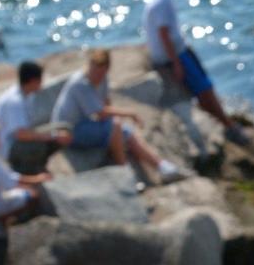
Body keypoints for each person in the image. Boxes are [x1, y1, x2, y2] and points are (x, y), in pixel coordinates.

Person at [143, 0, 249, 145]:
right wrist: (176, 62)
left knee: (204, 88)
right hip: (175, 55)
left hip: (178, 51)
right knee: (205, 88)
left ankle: (224, 122)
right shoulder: (162, 3)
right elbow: (164, 34)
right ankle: (229, 126)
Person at [52, 48, 189, 183]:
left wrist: (117, 131)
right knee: (116, 126)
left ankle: (163, 167)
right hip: (69, 132)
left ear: (106, 69)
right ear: (89, 66)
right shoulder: (80, 84)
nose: (97, 76)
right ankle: (125, 174)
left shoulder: (102, 79)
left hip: (86, 124)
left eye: (100, 73)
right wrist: (130, 114)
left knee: (126, 132)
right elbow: (100, 112)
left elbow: (105, 104)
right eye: (94, 71)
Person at [0, 60, 71, 172]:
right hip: (9, 147)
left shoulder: (27, 95)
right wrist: (52, 137)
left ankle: (37, 165)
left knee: (64, 129)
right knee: (43, 144)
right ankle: (27, 169)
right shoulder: (15, 101)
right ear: (33, 81)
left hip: (20, 138)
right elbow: (21, 134)